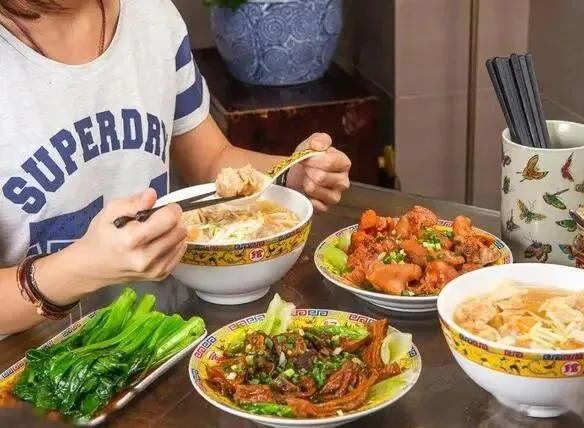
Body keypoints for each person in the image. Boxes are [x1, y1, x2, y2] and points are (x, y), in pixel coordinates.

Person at [0, 0, 352, 334]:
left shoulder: (152, 15)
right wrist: (84, 268)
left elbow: (211, 159)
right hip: (29, 354)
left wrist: (290, 173)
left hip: (158, 331)